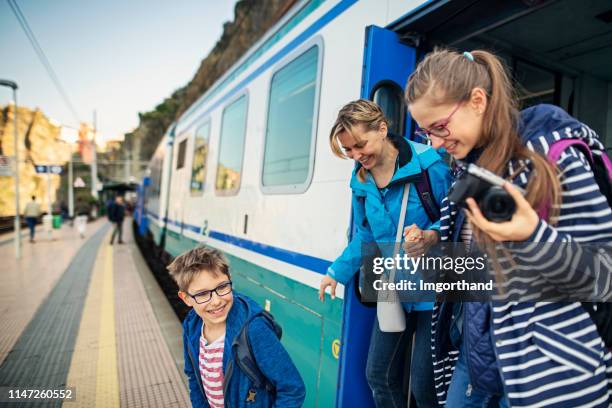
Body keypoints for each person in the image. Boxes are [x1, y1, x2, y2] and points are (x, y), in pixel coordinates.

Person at [405, 48, 612, 407]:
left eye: (440, 126)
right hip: (482, 350)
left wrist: (533, 237)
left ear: (477, 100)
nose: (436, 143)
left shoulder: (555, 159)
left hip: (553, 371)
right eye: (426, 133)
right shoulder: (471, 169)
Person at [318, 99, 451, 407]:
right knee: (379, 374)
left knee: (424, 386)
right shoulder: (360, 180)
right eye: (349, 150)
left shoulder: (430, 165)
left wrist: (431, 235)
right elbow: (364, 233)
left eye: (360, 145)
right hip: (396, 285)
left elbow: (459, 217)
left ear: (382, 128)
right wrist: (336, 272)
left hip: (437, 286)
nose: (356, 156)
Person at [167, 246, 305, 408]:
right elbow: (193, 377)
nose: (216, 301)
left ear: (230, 279)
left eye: (222, 287)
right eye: (203, 294)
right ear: (186, 298)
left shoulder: (254, 329)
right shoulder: (192, 326)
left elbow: (292, 388)